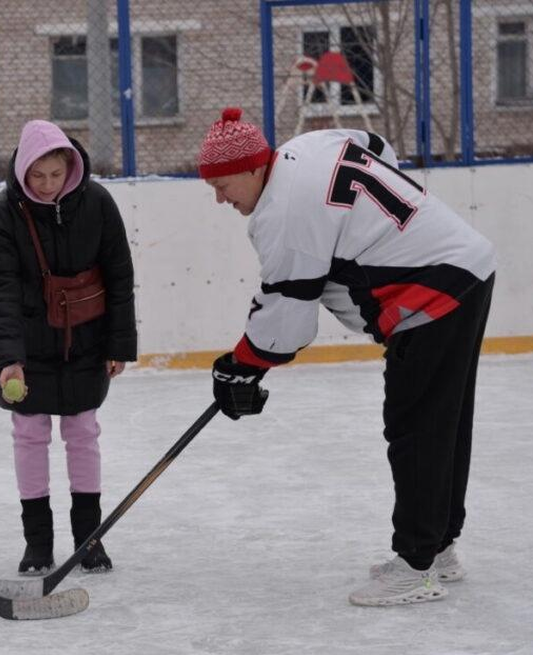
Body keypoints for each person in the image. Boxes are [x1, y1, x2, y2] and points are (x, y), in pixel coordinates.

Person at [196, 108, 495, 606]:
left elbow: (288, 316)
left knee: (416, 427)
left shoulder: (284, 212)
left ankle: (416, 566)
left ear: (253, 168)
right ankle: (438, 548)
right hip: (466, 266)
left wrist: (242, 365)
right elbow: (373, 144)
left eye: (223, 185)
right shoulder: (306, 149)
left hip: (430, 289)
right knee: (445, 421)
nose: (220, 199)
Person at [0, 119, 137, 575]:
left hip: (87, 339)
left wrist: (119, 343)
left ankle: (90, 540)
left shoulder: (98, 203)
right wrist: (9, 359)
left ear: (70, 166)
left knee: (83, 432)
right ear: (22, 171)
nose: (47, 185)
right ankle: (38, 543)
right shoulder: (3, 213)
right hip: (29, 345)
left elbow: (119, 276)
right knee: (29, 435)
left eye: (55, 174)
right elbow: (2, 289)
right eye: (37, 176)